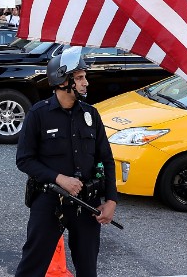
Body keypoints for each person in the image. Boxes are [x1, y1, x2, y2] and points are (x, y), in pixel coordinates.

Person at [15, 46, 118, 277]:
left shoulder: (91, 115)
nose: (86, 83)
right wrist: (59, 178)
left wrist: (111, 200)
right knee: (32, 266)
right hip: (49, 200)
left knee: (87, 268)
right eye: (79, 78)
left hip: (87, 204)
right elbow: (24, 160)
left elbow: (106, 159)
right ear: (62, 81)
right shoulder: (38, 114)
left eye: (85, 77)